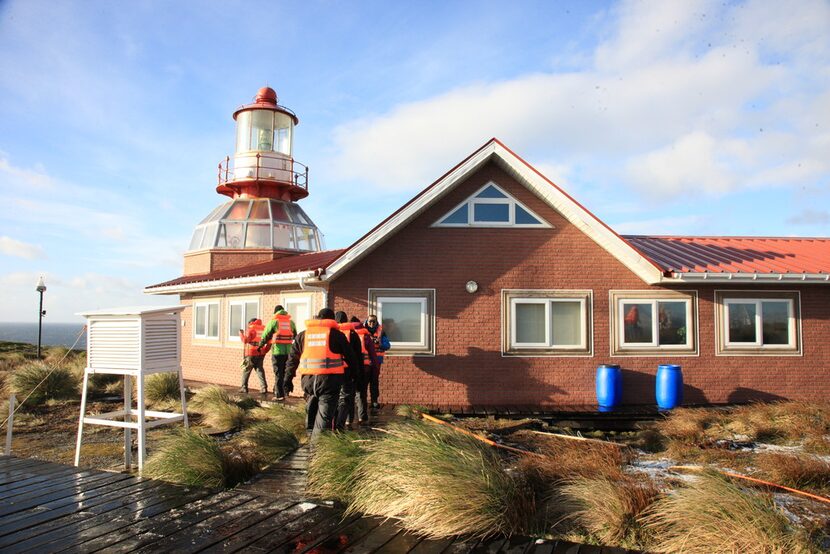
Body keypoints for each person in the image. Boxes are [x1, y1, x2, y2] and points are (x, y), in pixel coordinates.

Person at [284, 308, 360, 437]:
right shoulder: (336, 335)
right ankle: (317, 449)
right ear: (331, 320)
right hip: (329, 383)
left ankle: (309, 437)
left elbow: (292, 360)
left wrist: (287, 379)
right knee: (323, 418)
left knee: (311, 410)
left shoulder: (303, 335)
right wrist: (356, 376)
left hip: (308, 382)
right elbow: (352, 358)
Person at [259, 305, 297, 400]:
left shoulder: (274, 322)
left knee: (278, 373)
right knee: (286, 372)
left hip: (277, 352)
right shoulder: (291, 322)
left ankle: (279, 395)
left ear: (275, 312)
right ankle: (285, 391)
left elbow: (265, 335)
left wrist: (260, 346)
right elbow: (296, 336)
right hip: (288, 352)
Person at [334, 311, 363, 429]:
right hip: (348, 370)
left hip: (333, 370)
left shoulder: (332, 333)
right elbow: (357, 355)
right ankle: (348, 420)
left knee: (336, 397)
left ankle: (335, 421)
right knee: (348, 396)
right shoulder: (353, 334)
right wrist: (358, 373)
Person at [351, 316, 379, 425]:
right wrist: (375, 367)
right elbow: (372, 354)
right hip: (364, 368)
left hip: (349, 369)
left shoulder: (345, 334)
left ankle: (348, 419)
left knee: (348, 393)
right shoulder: (365, 336)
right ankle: (362, 417)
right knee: (361, 392)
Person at [363, 314, 389, 412]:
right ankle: (363, 401)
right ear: (367, 321)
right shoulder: (362, 330)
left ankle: (374, 401)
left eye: (374, 321)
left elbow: (387, 345)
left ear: (376, 321)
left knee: (374, 381)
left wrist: (379, 343)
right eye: (370, 321)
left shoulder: (381, 331)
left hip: (376, 361)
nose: (372, 323)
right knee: (364, 382)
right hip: (365, 361)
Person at [239, 317, 270, 395]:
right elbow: (269, 342)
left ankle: (244, 388)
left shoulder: (251, 329)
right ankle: (264, 388)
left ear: (251, 323)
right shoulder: (264, 329)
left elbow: (245, 340)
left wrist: (241, 334)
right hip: (261, 352)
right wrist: (265, 350)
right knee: (260, 370)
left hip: (251, 353)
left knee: (246, 371)